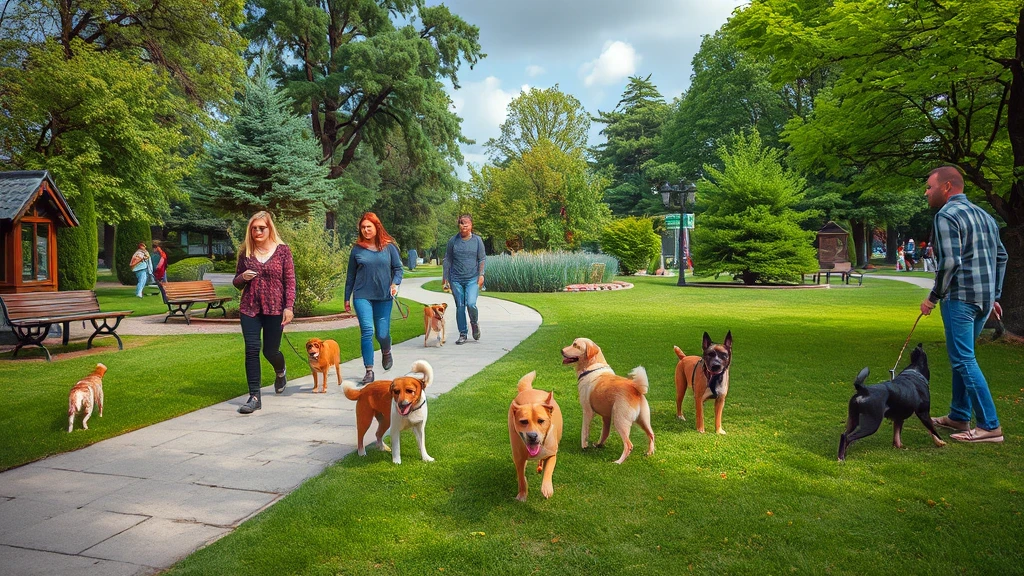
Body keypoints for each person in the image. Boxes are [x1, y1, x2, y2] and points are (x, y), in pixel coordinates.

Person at [920, 166, 1007, 443]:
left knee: (963, 359)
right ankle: (958, 414)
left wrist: (933, 297)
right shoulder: (986, 216)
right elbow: (1002, 257)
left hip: (960, 299)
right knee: (962, 360)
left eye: (929, 187)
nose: (926, 193)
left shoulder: (946, 215)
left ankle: (990, 426)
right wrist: (995, 295)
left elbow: (950, 262)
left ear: (947, 187)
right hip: (983, 301)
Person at [232, 211, 296, 414]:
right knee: (251, 349)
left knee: (270, 351)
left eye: (262, 228)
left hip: (275, 308)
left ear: (270, 229)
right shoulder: (246, 253)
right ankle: (254, 397)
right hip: (250, 308)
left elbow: (290, 281)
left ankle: (280, 370)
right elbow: (236, 282)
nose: (258, 231)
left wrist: (289, 307)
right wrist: (243, 276)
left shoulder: (283, 251)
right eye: (254, 228)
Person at [344, 212, 403, 385]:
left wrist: (395, 284)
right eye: (363, 227)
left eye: (368, 227)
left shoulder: (389, 247)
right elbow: (350, 276)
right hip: (362, 296)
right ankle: (369, 370)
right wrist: (347, 297)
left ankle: (386, 350)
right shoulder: (357, 249)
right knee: (367, 332)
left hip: (384, 296)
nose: (365, 230)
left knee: (382, 333)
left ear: (376, 227)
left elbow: (398, 269)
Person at [443, 214, 486, 345]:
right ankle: (463, 333)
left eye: (467, 223)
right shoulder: (453, 241)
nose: (464, 225)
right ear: (459, 225)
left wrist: (481, 275)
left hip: (472, 278)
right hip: (456, 279)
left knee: (471, 304)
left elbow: (482, 258)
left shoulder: (477, 240)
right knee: (460, 306)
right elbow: (448, 259)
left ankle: (474, 323)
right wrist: (445, 278)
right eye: (462, 223)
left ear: (471, 225)